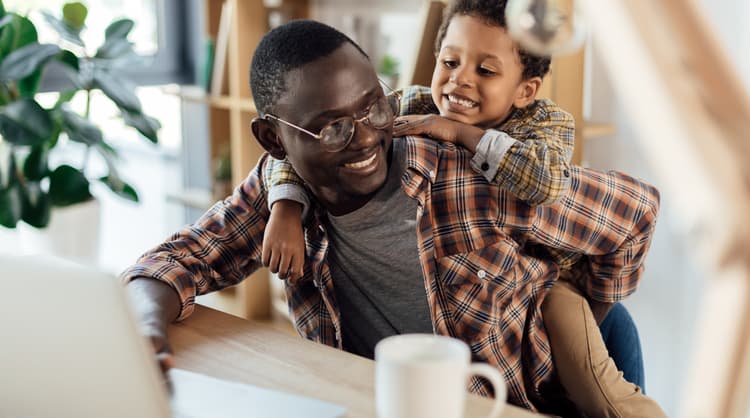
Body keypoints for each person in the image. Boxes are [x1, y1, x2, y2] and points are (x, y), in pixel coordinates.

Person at [122, 19, 665, 416]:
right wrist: (145, 325)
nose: (364, 137)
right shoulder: (281, 195)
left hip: (518, 404)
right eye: (331, 127)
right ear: (274, 139)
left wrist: (594, 305)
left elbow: (636, 209)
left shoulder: (467, 176)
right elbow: (181, 257)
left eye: (372, 105)